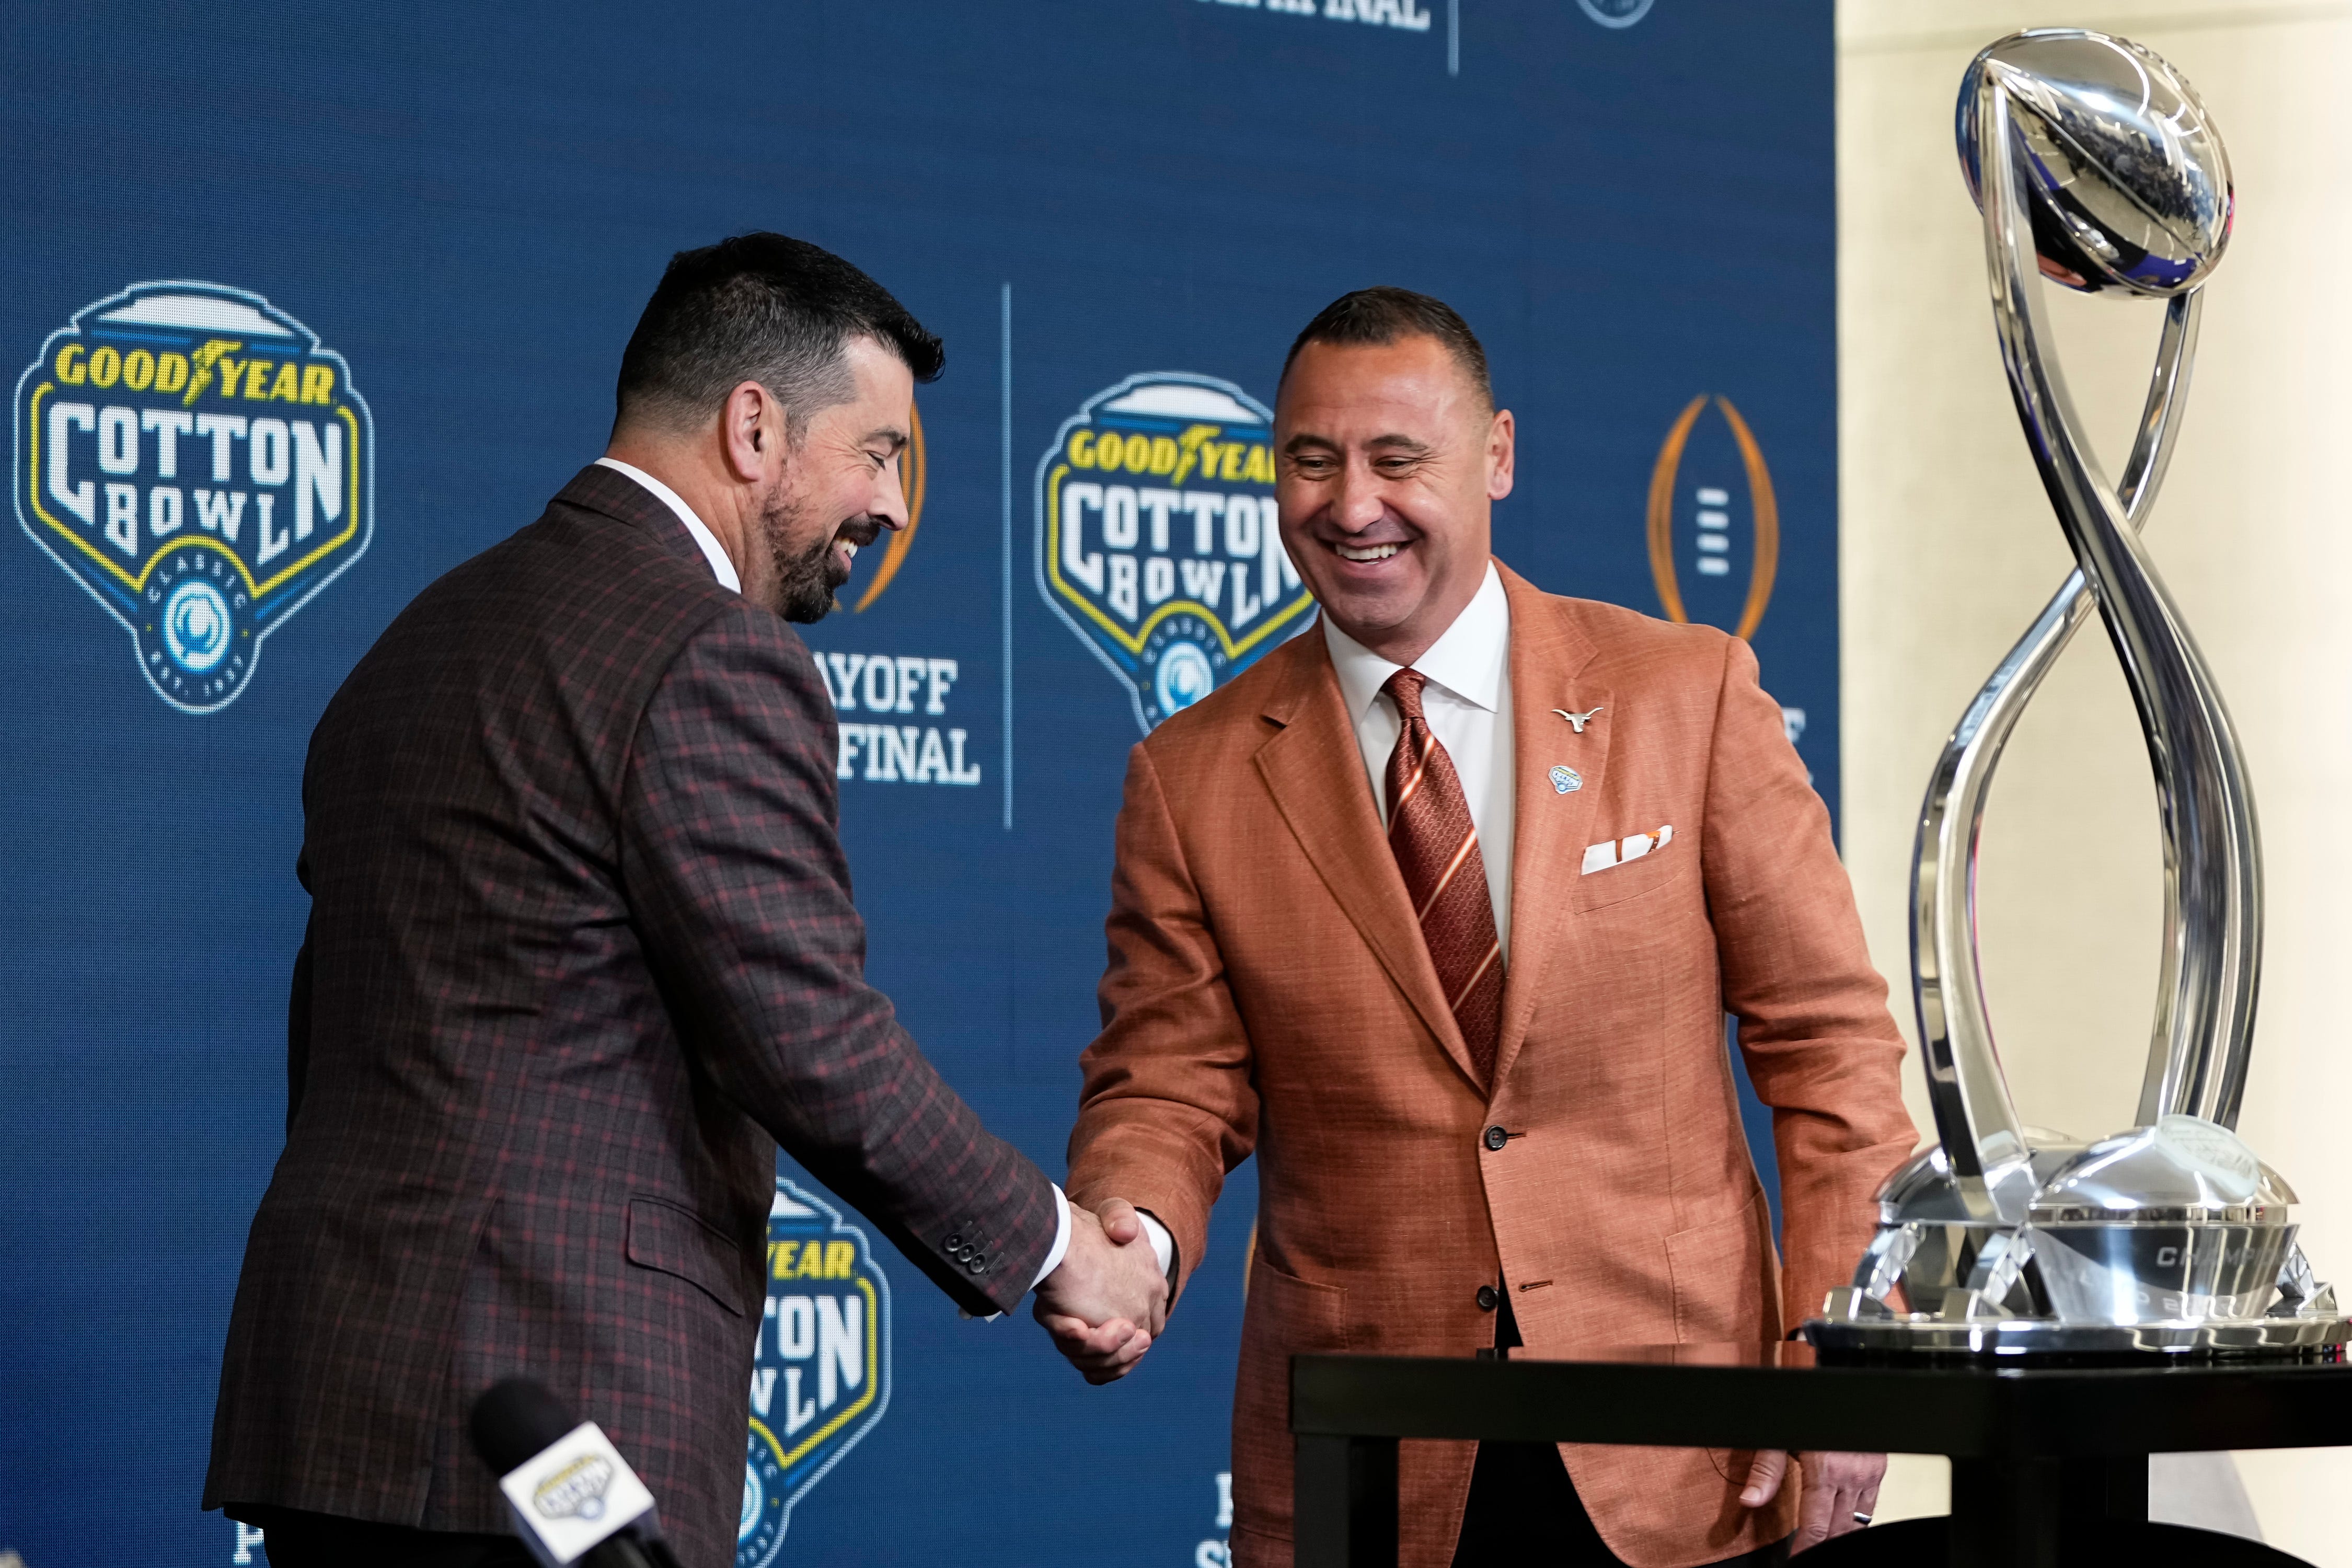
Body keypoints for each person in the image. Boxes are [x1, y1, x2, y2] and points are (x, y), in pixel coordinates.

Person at [203, 234, 1166, 1568]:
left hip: (335, 1409)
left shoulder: (420, 637)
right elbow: (808, 1040)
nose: (892, 506)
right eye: (879, 451)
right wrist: (1061, 1246)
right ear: (754, 426)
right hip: (549, 1435)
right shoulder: (711, 656)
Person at [1047, 288, 1917, 1566]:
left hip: (1688, 1457)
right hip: (1371, 1462)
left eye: (1400, 460)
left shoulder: (1689, 698)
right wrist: (1133, 1229)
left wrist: (1842, 1349)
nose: (1352, 505)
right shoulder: (1192, 776)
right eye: (1311, 461)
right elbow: (1168, 1081)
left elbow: (1833, 1054)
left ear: (1497, 455)